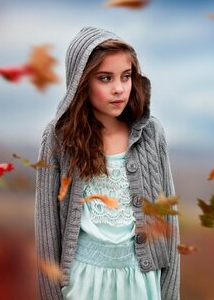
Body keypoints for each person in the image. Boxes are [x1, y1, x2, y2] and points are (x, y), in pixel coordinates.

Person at [34, 26, 180, 300]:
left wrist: (170, 294)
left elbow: (167, 225)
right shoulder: (58, 138)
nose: (119, 89)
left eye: (126, 77)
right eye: (105, 78)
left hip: (142, 281)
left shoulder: (151, 133)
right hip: (83, 283)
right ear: (81, 81)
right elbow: (46, 231)